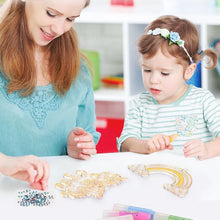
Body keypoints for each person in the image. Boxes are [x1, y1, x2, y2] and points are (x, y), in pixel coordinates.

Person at [0, 0, 100, 189]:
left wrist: (76, 148)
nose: (59, 29)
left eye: (70, 19)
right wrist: (4, 163)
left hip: (54, 192)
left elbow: (87, 132)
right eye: (51, 14)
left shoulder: (78, 68)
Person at [118, 15, 220, 160]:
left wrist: (207, 149)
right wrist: (145, 145)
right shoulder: (139, 104)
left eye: (164, 73)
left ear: (188, 71)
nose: (153, 80)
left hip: (197, 179)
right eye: (147, 70)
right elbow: (125, 143)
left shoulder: (203, 101)